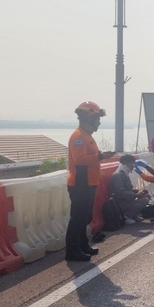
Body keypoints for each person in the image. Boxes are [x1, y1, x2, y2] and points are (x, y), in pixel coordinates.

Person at [66, 100, 116, 261]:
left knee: (85, 217)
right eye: (97, 119)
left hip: (88, 183)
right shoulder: (78, 137)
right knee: (78, 218)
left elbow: (89, 157)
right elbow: (79, 159)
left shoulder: (87, 137)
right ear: (88, 118)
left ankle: (82, 245)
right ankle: (72, 251)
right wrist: (100, 156)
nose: (99, 122)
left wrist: (100, 155)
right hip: (80, 183)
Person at [108, 153, 151, 224]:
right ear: (125, 163)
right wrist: (136, 195)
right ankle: (126, 216)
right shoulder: (118, 175)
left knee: (146, 196)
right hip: (120, 203)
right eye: (132, 164)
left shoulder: (123, 174)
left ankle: (133, 215)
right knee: (144, 200)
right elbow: (120, 193)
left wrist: (139, 192)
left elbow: (128, 190)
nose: (133, 166)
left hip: (125, 200)